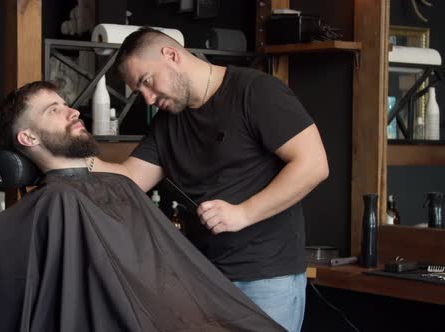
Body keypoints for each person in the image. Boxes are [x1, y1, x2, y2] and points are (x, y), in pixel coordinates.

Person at [0, 81, 284, 332]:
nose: (73, 113)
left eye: (68, 105)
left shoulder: (119, 186)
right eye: (55, 110)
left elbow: (171, 276)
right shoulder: (53, 204)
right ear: (27, 136)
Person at [92, 27, 329, 332]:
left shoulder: (255, 92)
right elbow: (128, 179)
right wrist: (70, 153)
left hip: (266, 278)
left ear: (172, 55)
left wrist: (244, 213)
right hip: (204, 279)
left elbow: (314, 164)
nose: (148, 98)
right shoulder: (168, 123)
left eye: (147, 82)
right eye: (140, 92)